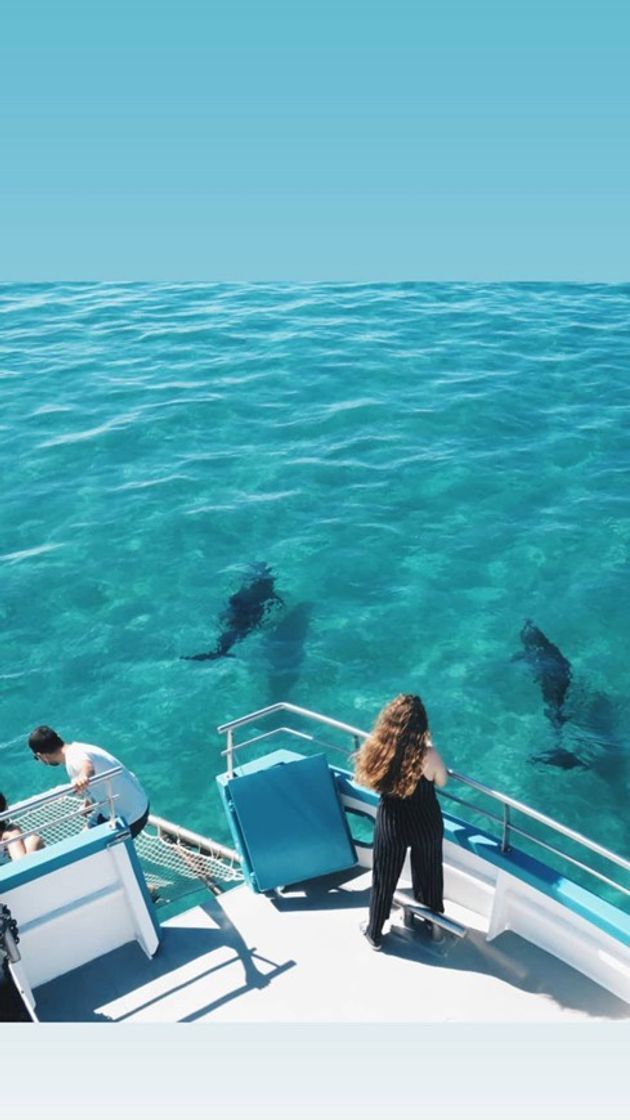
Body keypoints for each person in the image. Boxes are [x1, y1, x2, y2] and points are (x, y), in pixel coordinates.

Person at [354, 693, 448, 950]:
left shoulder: (379, 748)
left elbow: (371, 780)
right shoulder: (429, 755)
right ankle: (431, 924)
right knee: (429, 874)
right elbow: (442, 781)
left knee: (384, 878)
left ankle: (374, 932)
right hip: (426, 820)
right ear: (421, 725)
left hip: (392, 821)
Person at [27, 726, 150, 839]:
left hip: (130, 817)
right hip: (136, 803)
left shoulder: (74, 759)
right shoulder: (78, 748)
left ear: (41, 755)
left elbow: (87, 766)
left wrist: (83, 777)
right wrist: (88, 803)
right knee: (81, 841)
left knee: (85, 851)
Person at [0, 792, 44, 863]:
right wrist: (33, 846)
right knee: (33, 841)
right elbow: (21, 865)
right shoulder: (11, 833)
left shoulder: (10, 833)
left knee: (32, 841)